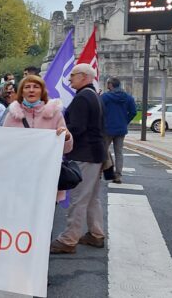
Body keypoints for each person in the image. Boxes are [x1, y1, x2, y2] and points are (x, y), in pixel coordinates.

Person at [51, 63, 106, 254]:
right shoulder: (93, 95)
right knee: (91, 198)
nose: (69, 79)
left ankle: (69, 239)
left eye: (73, 75)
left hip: (85, 153)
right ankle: (96, 233)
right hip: (95, 153)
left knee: (79, 198)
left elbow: (76, 128)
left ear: (84, 76)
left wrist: (59, 137)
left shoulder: (83, 97)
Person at [3, 75, 73, 151]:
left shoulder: (54, 113)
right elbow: (4, 144)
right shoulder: (12, 115)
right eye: (27, 87)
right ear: (21, 92)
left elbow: (66, 149)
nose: (31, 90)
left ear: (42, 92)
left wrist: (66, 137)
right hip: (20, 161)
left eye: (36, 87)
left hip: (47, 161)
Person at [101, 77, 137, 184]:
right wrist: (125, 121)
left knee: (103, 151)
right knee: (119, 153)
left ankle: (99, 173)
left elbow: (99, 109)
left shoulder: (106, 97)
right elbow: (133, 112)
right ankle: (118, 176)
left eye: (108, 84)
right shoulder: (128, 98)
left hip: (107, 128)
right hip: (121, 129)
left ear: (111, 85)